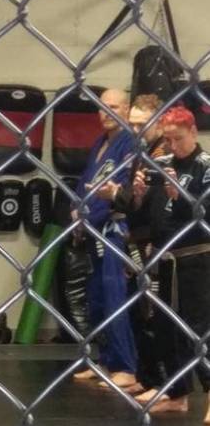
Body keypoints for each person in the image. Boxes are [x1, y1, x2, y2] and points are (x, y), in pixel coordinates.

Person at [136, 105, 210, 419]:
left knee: (198, 328)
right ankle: (178, 393)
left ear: (193, 132)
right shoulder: (161, 164)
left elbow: (203, 215)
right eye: (168, 139)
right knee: (165, 328)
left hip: (196, 258)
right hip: (166, 257)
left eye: (178, 138)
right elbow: (145, 217)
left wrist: (179, 196)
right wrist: (138, 194)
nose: (173, 145)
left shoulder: (205, 167)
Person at [102, 94, 168, 397]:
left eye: (143, 124)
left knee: (153, 313)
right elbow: (133, 197)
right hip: (136, 239)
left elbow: (153, 201)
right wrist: (119, 195)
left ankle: (164, 382)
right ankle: (147, 376)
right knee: (137, 311)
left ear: (159, 122)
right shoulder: (141, 153)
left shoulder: (163, 154)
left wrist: (119, 195)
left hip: (155, 241)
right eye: (133, 124)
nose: (136, 130)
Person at [71, 88, 137, 388]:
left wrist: (89, 216)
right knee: (96, 297)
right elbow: (86, 184)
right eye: (102, 106)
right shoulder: (100, 142)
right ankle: (106, 359)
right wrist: (77, 211)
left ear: (126, 110)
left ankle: (126, 366)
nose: (106, 112)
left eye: (114, 107)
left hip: (115, 230)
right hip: (93, 229)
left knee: (114, 296)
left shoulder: (130, 143)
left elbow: (118, 191)